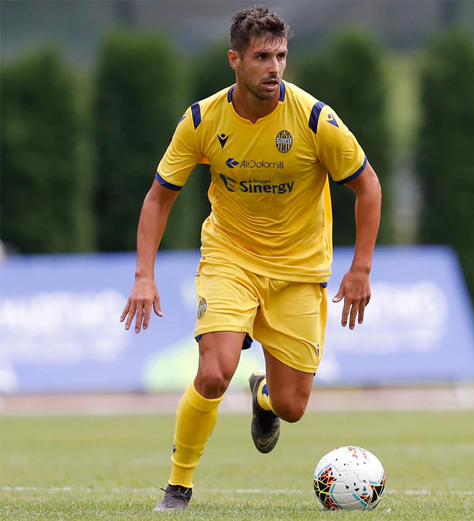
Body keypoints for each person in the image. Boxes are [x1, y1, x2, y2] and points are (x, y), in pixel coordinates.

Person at [119, 5, 381, 512]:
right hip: (230, 259)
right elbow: (159, 196)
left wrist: (361, 267)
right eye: (263, 56)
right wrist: (143, 275)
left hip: (299, 272)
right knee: (214, 372)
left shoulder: (314, 119)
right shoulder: (202, 119)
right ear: (234, 60)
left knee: (292, 406)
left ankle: (262, 397)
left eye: (281, 55)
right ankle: (179, 486)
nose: (275, 67)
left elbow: (367, 186)